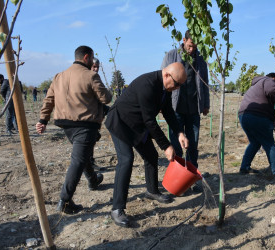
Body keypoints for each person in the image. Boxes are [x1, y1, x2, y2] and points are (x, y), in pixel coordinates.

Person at [105, 62, 189, 227]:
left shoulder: (165, 88)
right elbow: (150, 121)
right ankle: (117, 208)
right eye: (177, 84)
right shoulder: (147, 85)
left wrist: (180, 133)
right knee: (126, 160)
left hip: (137, 125)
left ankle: (151, 190)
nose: (178, 88)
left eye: (180, 85)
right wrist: (166, 145)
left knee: (151, 155)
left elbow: (168, 112)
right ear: (167, 75)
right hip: (120, 123)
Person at [35, 45, 112, 214]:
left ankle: (93, 180)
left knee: (81, 155)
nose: (92, 61)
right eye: (92, 58)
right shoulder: (91, 76)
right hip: (85, 124)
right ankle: (65, 200)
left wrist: (43, 120)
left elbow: (49, 100)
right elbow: (106, 98)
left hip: (65, 125)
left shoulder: (58, 76)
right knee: (78, 160)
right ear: (86, 57)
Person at [161, 30, 210, 192]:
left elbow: (205, 82)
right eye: (190, 45)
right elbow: (164, 79)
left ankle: (192, 179)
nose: (192, 49)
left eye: (195, 46)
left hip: (194, 109)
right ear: (184, 40)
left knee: (193, 144)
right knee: (176, 145)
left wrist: (206, 103)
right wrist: (162, 103)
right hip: (175, 108)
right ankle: (177, 179)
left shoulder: (200, 59)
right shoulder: (172, 55)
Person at [238, 72, 275, 178]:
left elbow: (267, 107)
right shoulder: (268, 80)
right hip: (256, 116)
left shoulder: (257, 85)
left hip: (244, 116)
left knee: (255, 142)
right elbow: (273, 91)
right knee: (269, 144)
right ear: (274, 79)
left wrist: (272, 121)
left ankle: (244, 167)